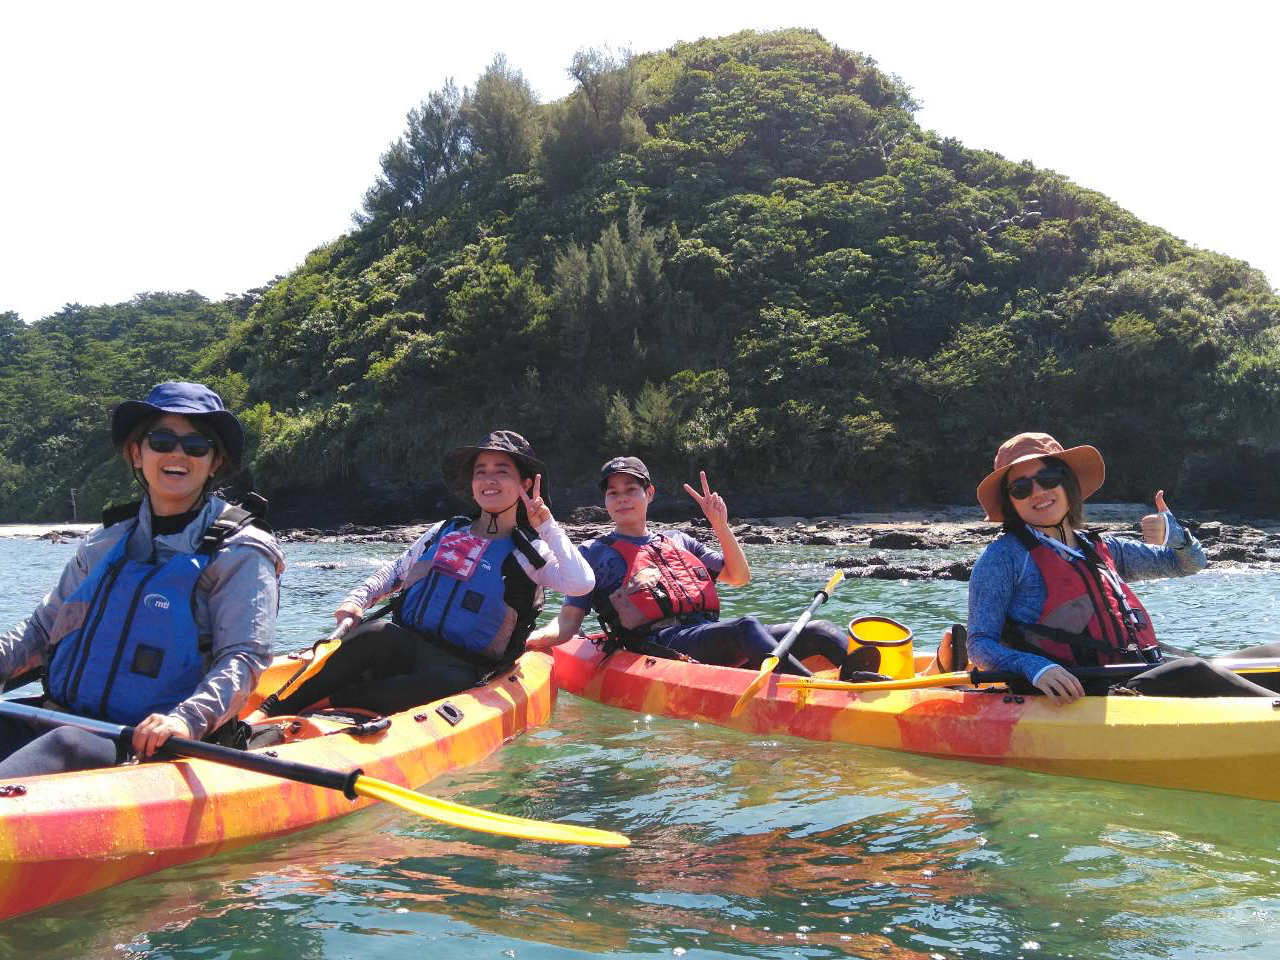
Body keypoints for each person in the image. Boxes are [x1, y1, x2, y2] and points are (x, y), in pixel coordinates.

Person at [0, 381, 283, 777]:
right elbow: (41, 629)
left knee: (67, 745)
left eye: (196, 446)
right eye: (161, 440)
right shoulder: (104, 543)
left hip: (155, 744)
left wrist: (186, 719)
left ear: (214, 461)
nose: (177, 454)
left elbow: (245, 657)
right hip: (66, 721)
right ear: (137, 453)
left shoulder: (240, 552)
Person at [254, 431, 594, 718]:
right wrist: (358, 599)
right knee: (374, 634)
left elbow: (581, 583)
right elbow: (394, 572)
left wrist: (546, 525)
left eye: (502, 471)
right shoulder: (444, 531)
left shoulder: (529, 552)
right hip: (406, 643)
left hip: (463, 667)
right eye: (481, 471)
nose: (489, 479)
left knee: (420, 687)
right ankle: (267, 714)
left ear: (524, 483)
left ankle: (333, 712)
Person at [967, 431, 1277, 704]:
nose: (1038, 492)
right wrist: (1035, 667)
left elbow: (1188, 564)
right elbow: (980, 644)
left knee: (1272, 657)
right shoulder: (1002, 558)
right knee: (1192, 671)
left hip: (1140, 672)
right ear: (1011, 502)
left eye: (1048, 479)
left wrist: (1177, 538)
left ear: (1067, 483)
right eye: (1021, 488)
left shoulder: (1103, 548)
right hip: (1085, 691)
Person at [528, 456, 865, 677]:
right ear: (605, 501)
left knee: (819, 629)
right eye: (613, 493)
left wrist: (720, 523)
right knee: (747, 625)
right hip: (663, 644)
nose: (621, 499)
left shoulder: (679, 540)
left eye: (631, 490)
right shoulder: (592, 554)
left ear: (650, 494)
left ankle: (873, 683)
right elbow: (569, 622)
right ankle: (817, 694)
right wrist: (531, 640)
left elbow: (738, 577)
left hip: (707, 638)